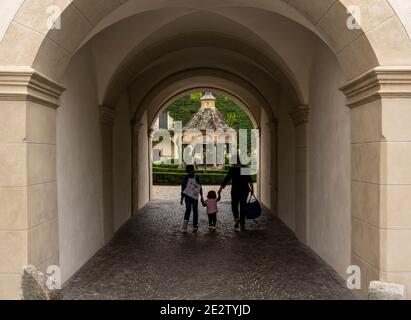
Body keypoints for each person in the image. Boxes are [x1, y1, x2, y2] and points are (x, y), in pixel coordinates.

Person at [218, 159, 254, 231]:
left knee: (234, 205)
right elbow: (249, 180)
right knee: (243, 206)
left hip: (235, 191)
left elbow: (226, 179)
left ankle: (236, 218)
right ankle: (242, 224)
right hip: (244, 190)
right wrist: (252, 189)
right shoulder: (244, 168)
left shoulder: (232, 169)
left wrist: (220, 189)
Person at [181, 165, 203, 233]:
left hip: (187, 197)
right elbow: (200, 187)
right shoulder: (197, 177)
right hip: (195, 197)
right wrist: (202, 196)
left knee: (187, 211)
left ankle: (184, 227)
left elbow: (183, 188)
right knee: (195, 211)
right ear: (193, 169)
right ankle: (195, 227)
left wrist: (182, 198)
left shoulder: (185, 178)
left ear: (187, 170)